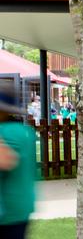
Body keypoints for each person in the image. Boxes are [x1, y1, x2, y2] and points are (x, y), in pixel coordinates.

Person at [0, 80, 36, 239]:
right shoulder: (25, 131)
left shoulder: (4, 133)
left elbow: (6, 162)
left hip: (6, 211)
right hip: (23, 206)